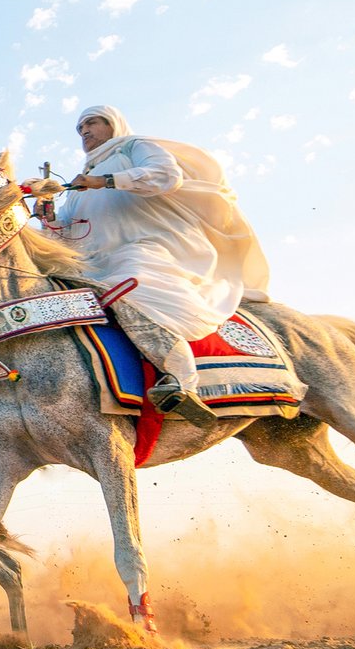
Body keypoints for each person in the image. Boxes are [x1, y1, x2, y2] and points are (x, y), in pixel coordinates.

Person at [55, 105, 271, 422]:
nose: (84, 131)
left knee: (129, 285)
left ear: (113, 123)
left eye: (92, 122)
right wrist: (48, 220)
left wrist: (103, 181)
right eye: (80, 128)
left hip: (155, 246)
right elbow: (65, 235)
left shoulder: (132, 147)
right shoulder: (77, 186)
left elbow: (166, 177)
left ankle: (183, 382)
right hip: (97, 263)